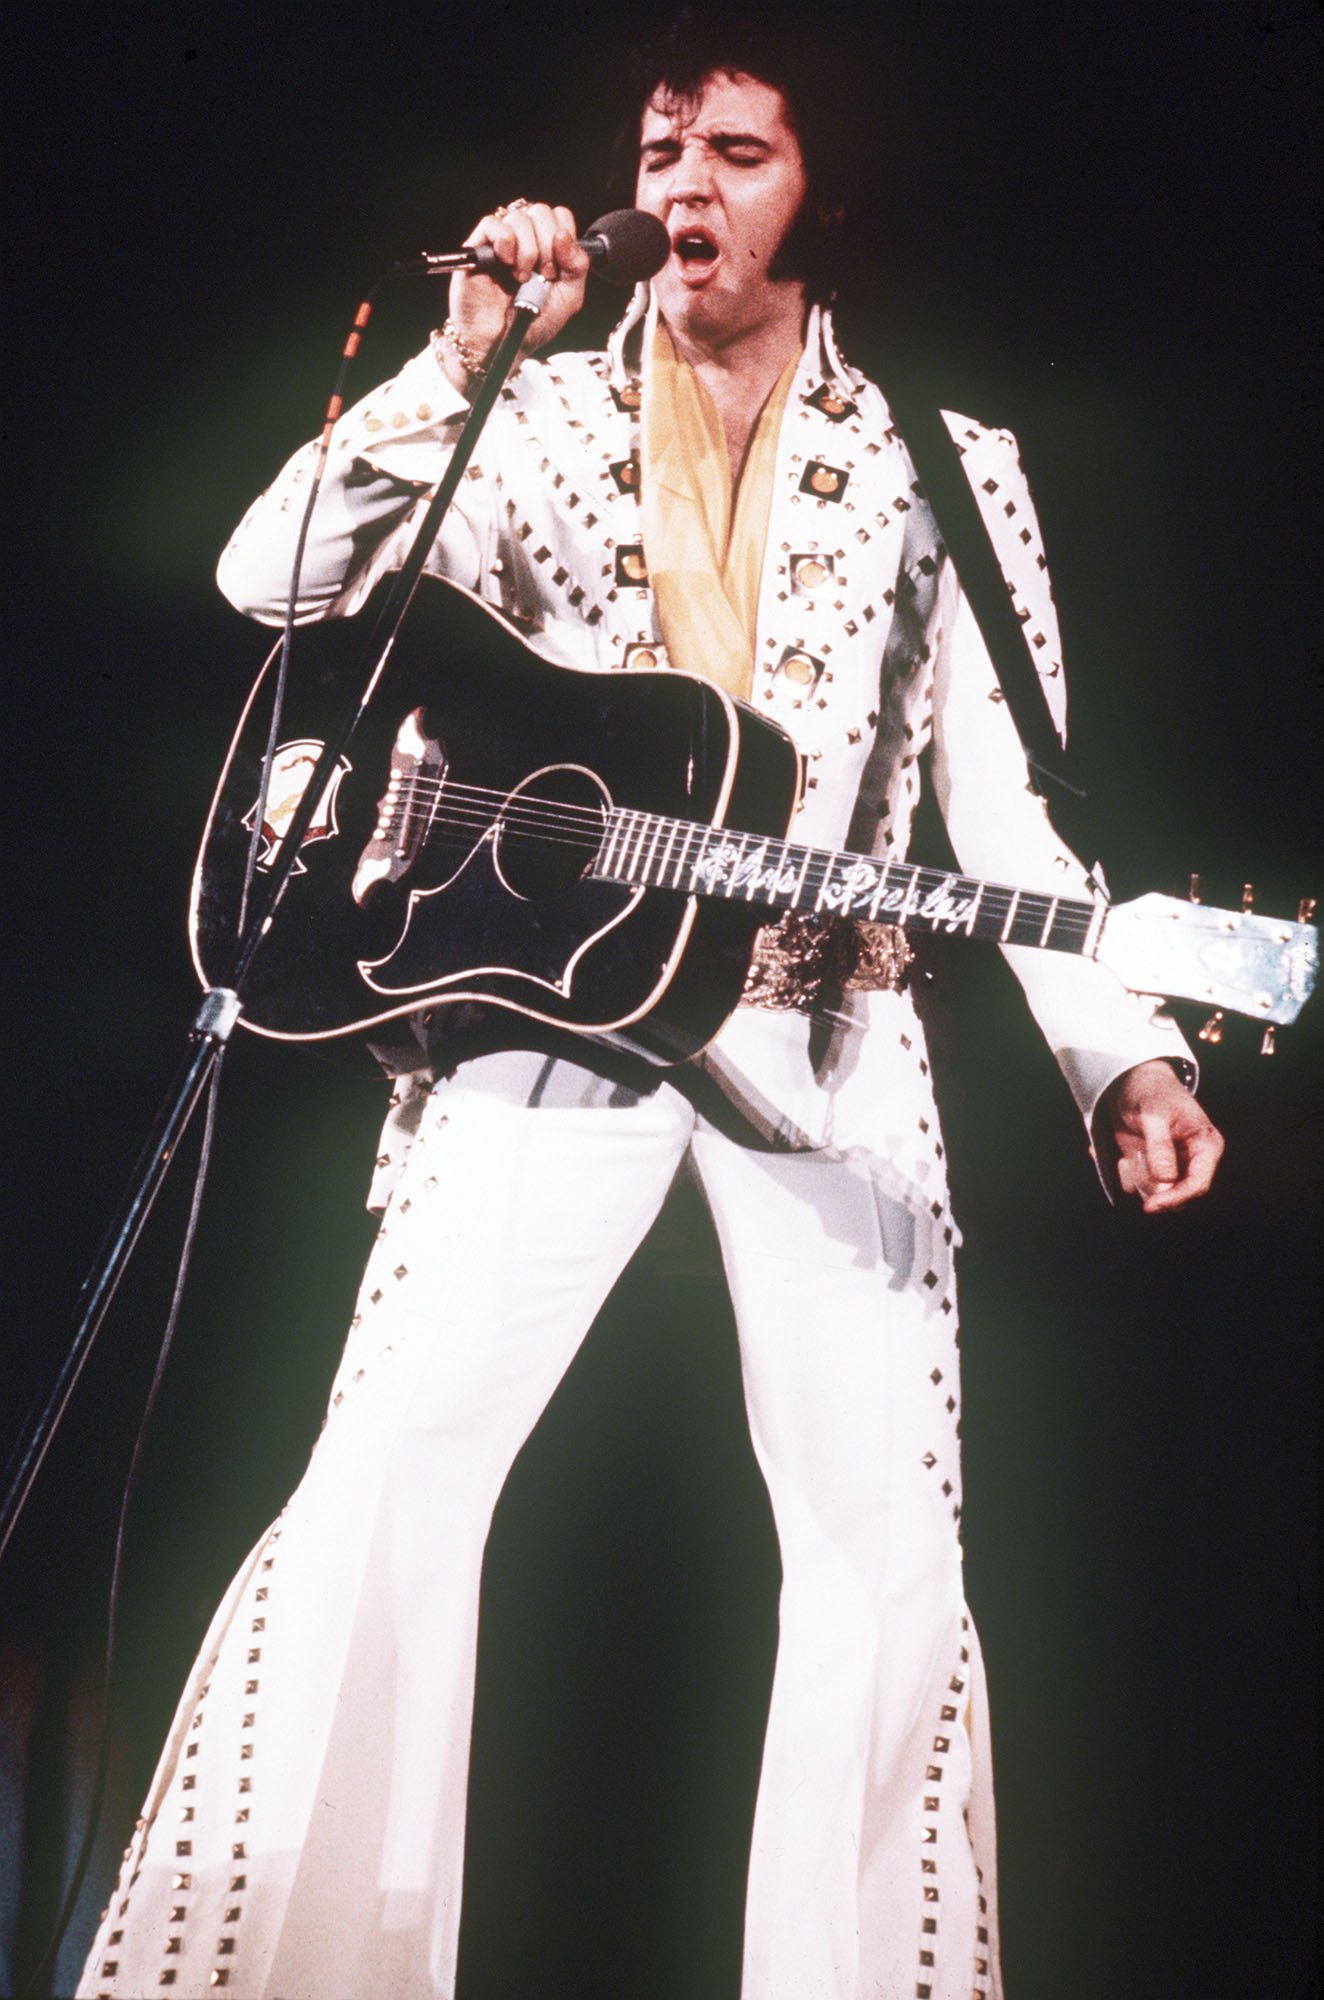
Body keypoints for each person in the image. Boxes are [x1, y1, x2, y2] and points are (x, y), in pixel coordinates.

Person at [78, 15, 1223, 1999]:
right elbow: (267, 576)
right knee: (382, 1484)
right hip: (543, 1015)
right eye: (660, 144)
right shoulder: (513, 407)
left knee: (880, 1556)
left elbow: (1002, 808)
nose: (683, 187)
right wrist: (453, 361)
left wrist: (1123, 1044)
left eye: (737, 152)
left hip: (830, 1023)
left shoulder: (950, 470)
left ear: (819, 192)